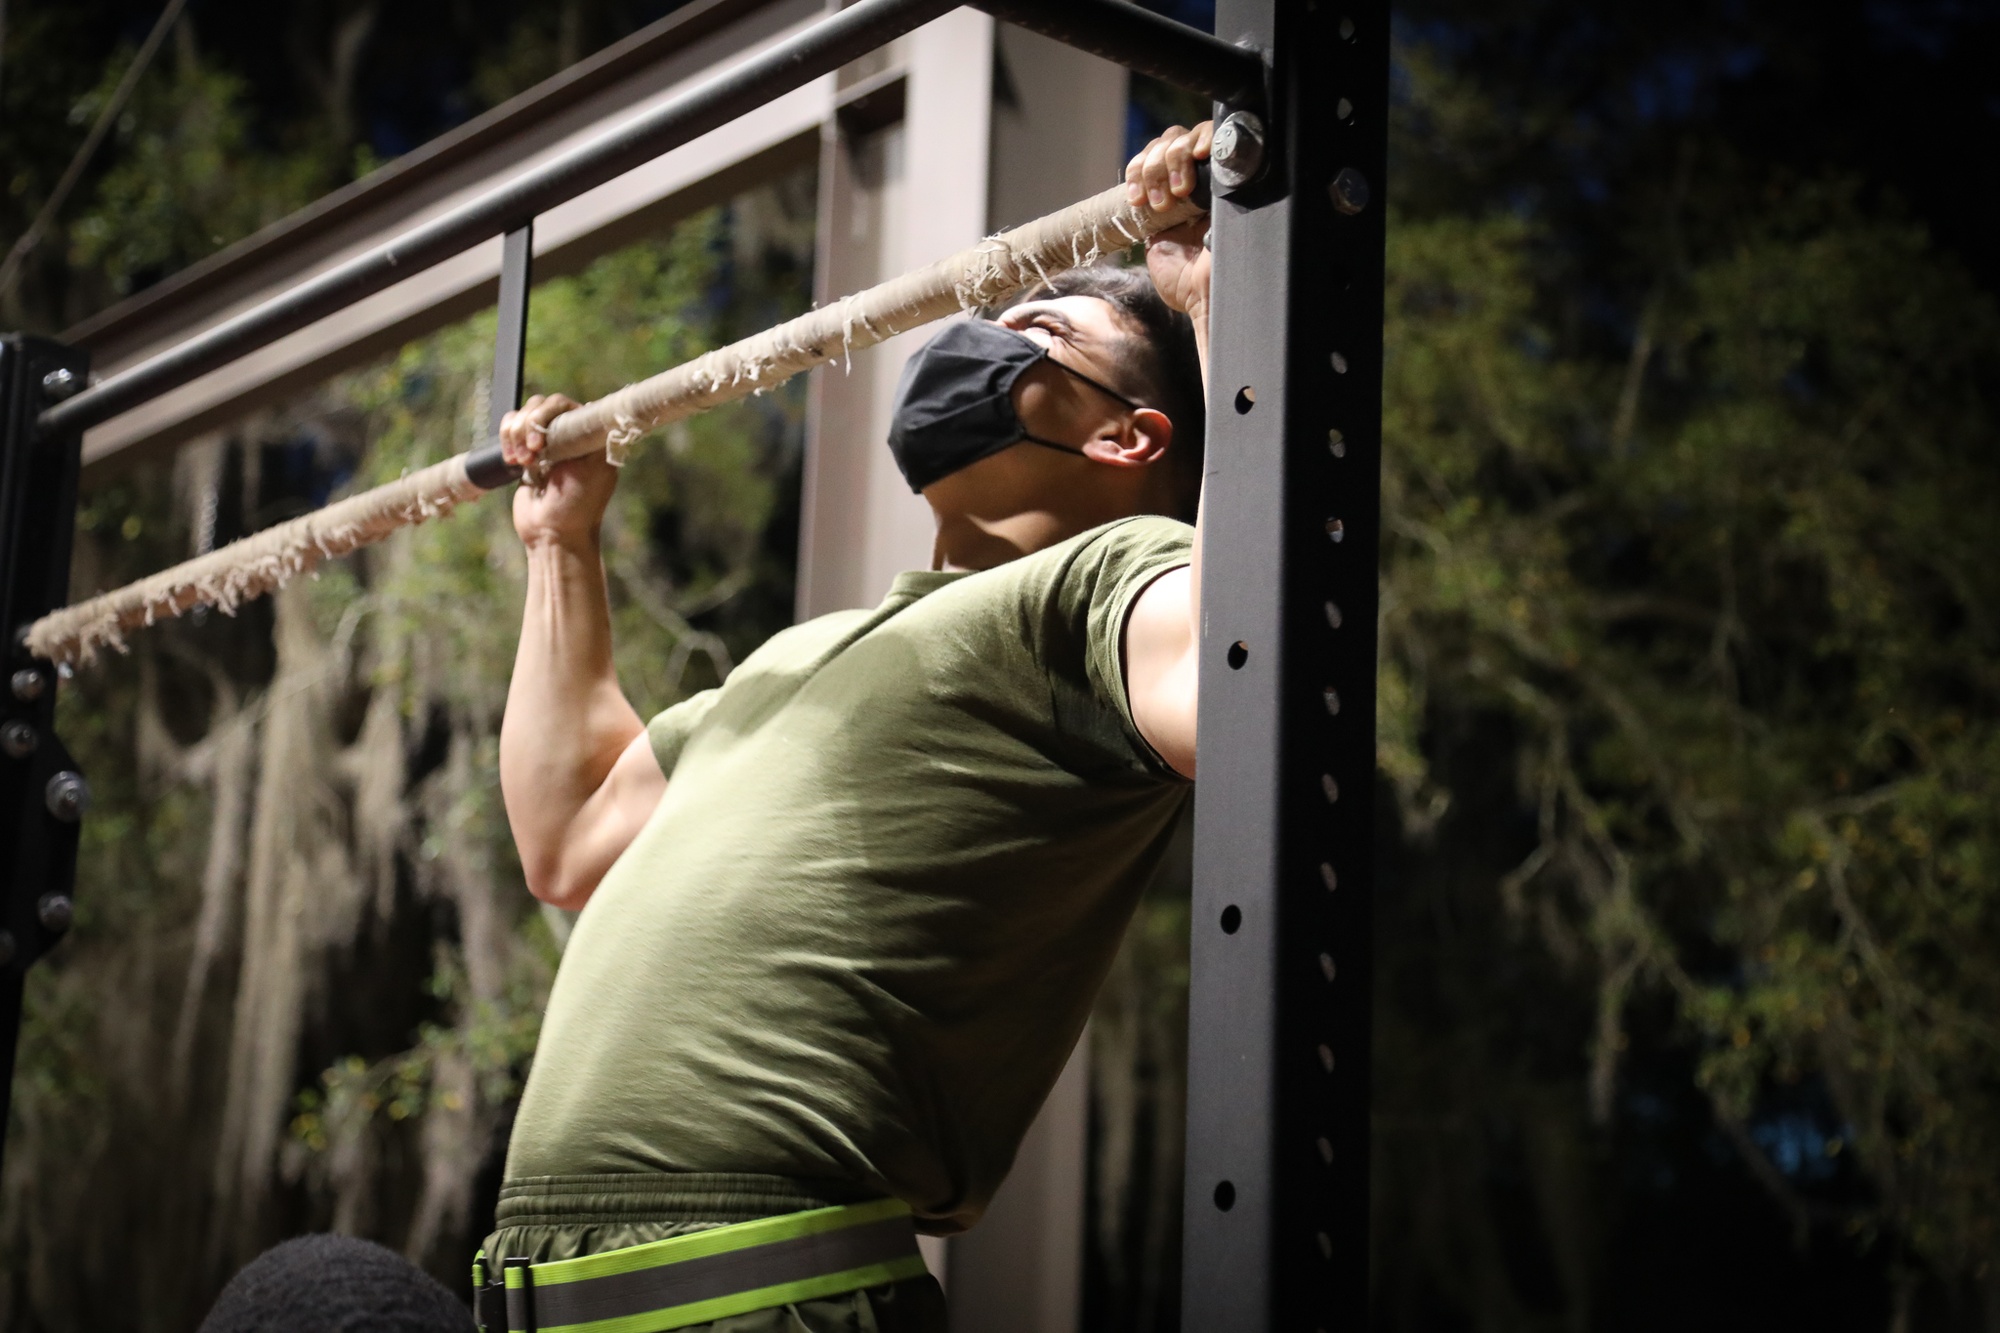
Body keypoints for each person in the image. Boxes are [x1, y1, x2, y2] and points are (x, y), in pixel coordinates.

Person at [477, 121, 1216, 1333]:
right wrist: (562, 544)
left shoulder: (1108, 583)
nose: (974, 344)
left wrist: (1215, 305)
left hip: (763, 1292)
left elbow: (1249, 651)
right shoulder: (798, 653)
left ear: (1123, 435)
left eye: (1036, 334)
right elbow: (566, 834)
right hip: (540, 1295)